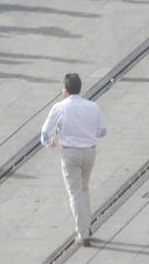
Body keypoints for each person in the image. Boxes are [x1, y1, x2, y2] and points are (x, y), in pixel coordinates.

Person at [40, 73, 107, 247]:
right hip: (90, 152)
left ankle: (82, 233)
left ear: (66, 90)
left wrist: (50, 143)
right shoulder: (93, 107)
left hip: (70, 154)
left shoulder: (60, 108)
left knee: (75, 192)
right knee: (84, 188)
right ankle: (88, 224)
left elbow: (45, 134)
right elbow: (102, 132)